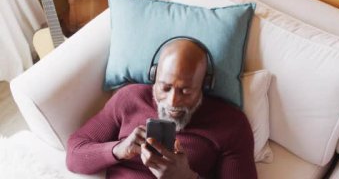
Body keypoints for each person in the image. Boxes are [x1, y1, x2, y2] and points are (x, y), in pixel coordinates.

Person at [66, 37, 257, 179]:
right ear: (153, 77)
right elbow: (74, 155)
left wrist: (186, 177)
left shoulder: (232, 124)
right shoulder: (129, 98)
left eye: (186, 91)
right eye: (165, 88)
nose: (173, 101)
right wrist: (119, 149)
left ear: (204, 85)